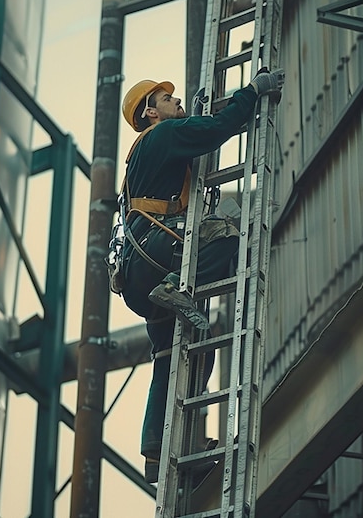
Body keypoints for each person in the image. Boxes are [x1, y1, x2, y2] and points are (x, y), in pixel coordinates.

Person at [117, 69, 284, 483]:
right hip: (158, 255)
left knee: (180, 355)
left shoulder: (141, 157)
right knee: (227, 236)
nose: (176, 102)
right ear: (151, 113)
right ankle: (175, 286)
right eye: (167, 99)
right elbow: (215, 129)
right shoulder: (163, 136)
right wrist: (251, 93)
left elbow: (200, 128)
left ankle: (159, 451)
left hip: (137, 272)